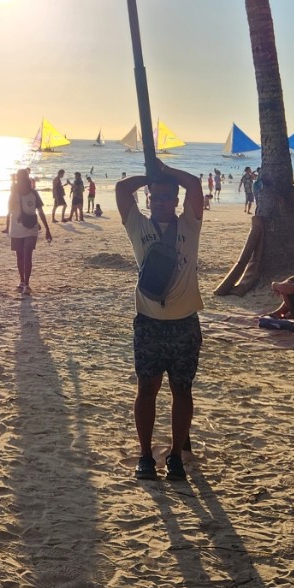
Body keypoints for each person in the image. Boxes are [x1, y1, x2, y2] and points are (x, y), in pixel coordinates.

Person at [116, 164, 205, 482]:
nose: (162, 202)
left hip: (184, 323)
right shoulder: (138, 226)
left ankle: (177, 455)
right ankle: (145, 456)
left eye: (168, 197)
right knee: (147, 388)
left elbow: (194, 184)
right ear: (149, 199)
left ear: (177, 201)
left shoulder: (189, 225)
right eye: (156, 197)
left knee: (182, 390)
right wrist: (150, 177)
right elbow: (122, 190)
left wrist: (164, 169)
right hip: (149, 323)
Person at [5, 168, 52, 292]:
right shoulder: (14, 193)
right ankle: (21, 281)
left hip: (31, 227)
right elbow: (9, 209)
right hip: (16, 228)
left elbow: (41, 212)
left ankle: (27, 283)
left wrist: (47, 229)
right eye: (20, 179)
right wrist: (13, 193)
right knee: (20, 255)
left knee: (27, 254)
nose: (22, 181)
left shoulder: (34, 194)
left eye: (24, 179)